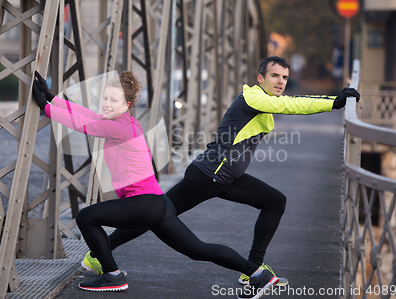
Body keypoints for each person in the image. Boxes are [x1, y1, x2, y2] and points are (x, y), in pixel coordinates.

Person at [78, 57, 360, 287]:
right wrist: (335, 101)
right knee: (156, 215)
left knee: (274, 201)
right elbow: (292, 104)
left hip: (226, 178)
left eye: (285, 77)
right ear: (260, 79)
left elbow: (283, 104)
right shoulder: (253, 97)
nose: (281, 82)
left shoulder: (265, 102)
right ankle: (97, 256)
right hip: (207, 176)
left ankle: (254, 266)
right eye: (275, 76)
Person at [32, 70, 282, 299]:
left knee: (86, 217)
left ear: (127, 105)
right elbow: (90, 116)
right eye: (105, 98)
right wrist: (53, 99)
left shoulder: (118, 128)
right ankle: (258, 274)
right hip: (158, 204)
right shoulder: (123, 122)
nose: (107, 104)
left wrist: (45, 107)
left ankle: (112, 275)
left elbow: (86, 125)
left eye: (114, 100)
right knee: (197, 250)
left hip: (144, 203)